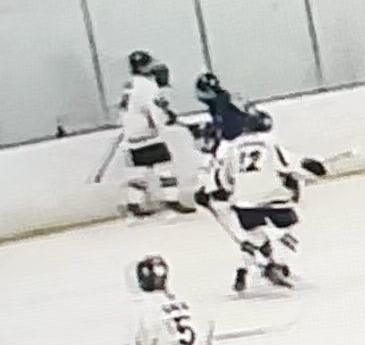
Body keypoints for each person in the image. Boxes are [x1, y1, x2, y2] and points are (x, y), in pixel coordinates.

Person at [197, 108, 325, 292]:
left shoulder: (233, 147)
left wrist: (216, 193)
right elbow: (289, 166)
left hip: (243, 201)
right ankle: (279, 266)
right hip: (273, 197)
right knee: (287, 232)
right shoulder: (270, 144)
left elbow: (223, 179)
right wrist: (312, 167)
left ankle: (244, 269)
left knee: (255, 237)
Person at [118, 62, 195, 216]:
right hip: (147, 135)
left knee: (139, 171)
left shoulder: (130, 83)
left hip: (131, 135)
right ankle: (172, 200)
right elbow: (155, 111)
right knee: (166, 168)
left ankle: (133, 203)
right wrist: (166, 119)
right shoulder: (148, 86)